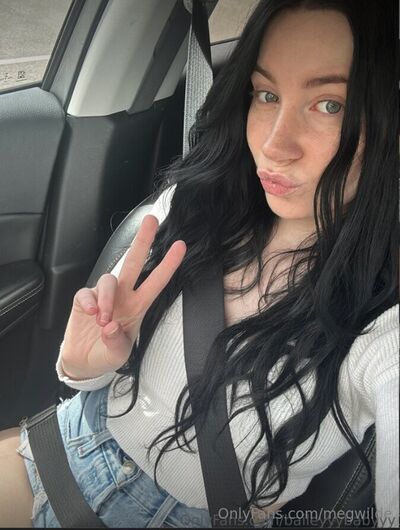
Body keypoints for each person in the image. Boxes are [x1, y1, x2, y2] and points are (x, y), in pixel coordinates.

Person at [0, 0, 398, 527]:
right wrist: (84, 365)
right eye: (267, 94)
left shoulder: (383, 324)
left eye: (330, 105)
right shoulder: (194, 203)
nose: (274, 145)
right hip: (68, 440)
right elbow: (86, 379)